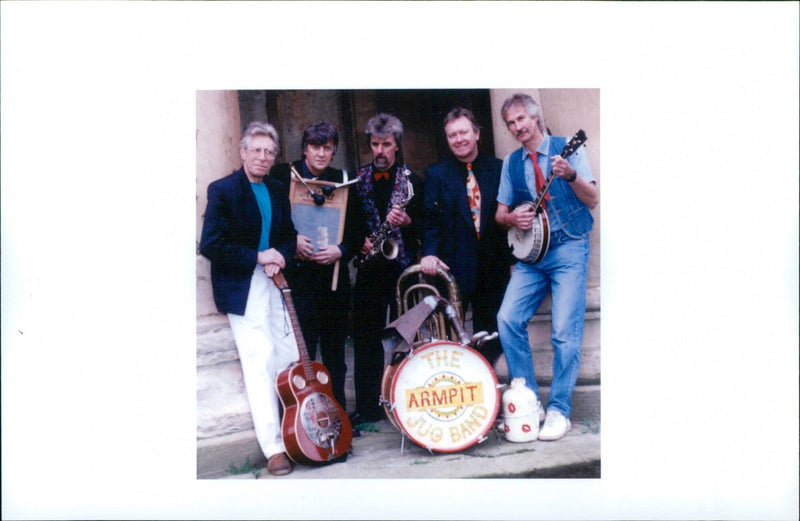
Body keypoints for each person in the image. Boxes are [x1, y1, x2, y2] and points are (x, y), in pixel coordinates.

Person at [494, 94, 599, 441]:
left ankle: (559, 411)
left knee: (564, 333)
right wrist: (512, 217)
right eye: (511, 122)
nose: (517, 127)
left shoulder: (568, 148)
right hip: (531, 256)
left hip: (569, 246)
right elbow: (499, 215)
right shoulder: (511, 163)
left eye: (522, 118)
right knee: (507, 318)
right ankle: (529, 401)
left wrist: (569, 175)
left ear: (535, 117)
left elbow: (593, 199)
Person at [199, 121, 299, 476]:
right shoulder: (223, 190)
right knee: (260, 364)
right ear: (242, 153)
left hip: (276, 281)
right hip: (244, 285)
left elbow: (289, 235)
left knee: (289, 358)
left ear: (274, 157)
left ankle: (298, 437)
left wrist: (281, 256)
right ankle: (274, 449)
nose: (261, 156)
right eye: (255, 150)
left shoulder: (275, 188)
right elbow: (210, 244)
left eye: (268, 152)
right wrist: (259, 257)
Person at [269, 121, 361, 421]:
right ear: (304, 148)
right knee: (301, 354)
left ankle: (338, 418)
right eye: (315, 147)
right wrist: (292, 240)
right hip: (297, 280)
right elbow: (270, 223)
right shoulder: (284, 176)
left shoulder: (343, 180)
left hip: (332, 282)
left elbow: (358, 231)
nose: (321, 154)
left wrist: (342, 250)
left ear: (333, 150)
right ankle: (304, 421)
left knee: (335, 355)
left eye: (327, 147)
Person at [420, 107, 512, 365]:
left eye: (463, 132)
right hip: (454, 269)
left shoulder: (499, 169)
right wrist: (429, 253)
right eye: (452, 135)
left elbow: (510, 220)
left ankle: (489, 387)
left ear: (477, 134)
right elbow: (431, 221)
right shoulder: (436, 175)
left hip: (493, 269)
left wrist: (515, 261)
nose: (458, 139)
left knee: (493, 337)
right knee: (451, 340)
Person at [350, 113, 424, 424]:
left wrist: (408, 221)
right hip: (369, 269)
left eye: (387, 145)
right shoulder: (357, 179)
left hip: (402, 268)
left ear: (397, 146)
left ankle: (408, 400)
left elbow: (426, 226)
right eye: (375, 144)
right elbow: (348, 225)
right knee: (365, 337)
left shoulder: (412, 182)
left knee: (407, 336)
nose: (380, 151)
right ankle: (368, 408)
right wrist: (360, 244)